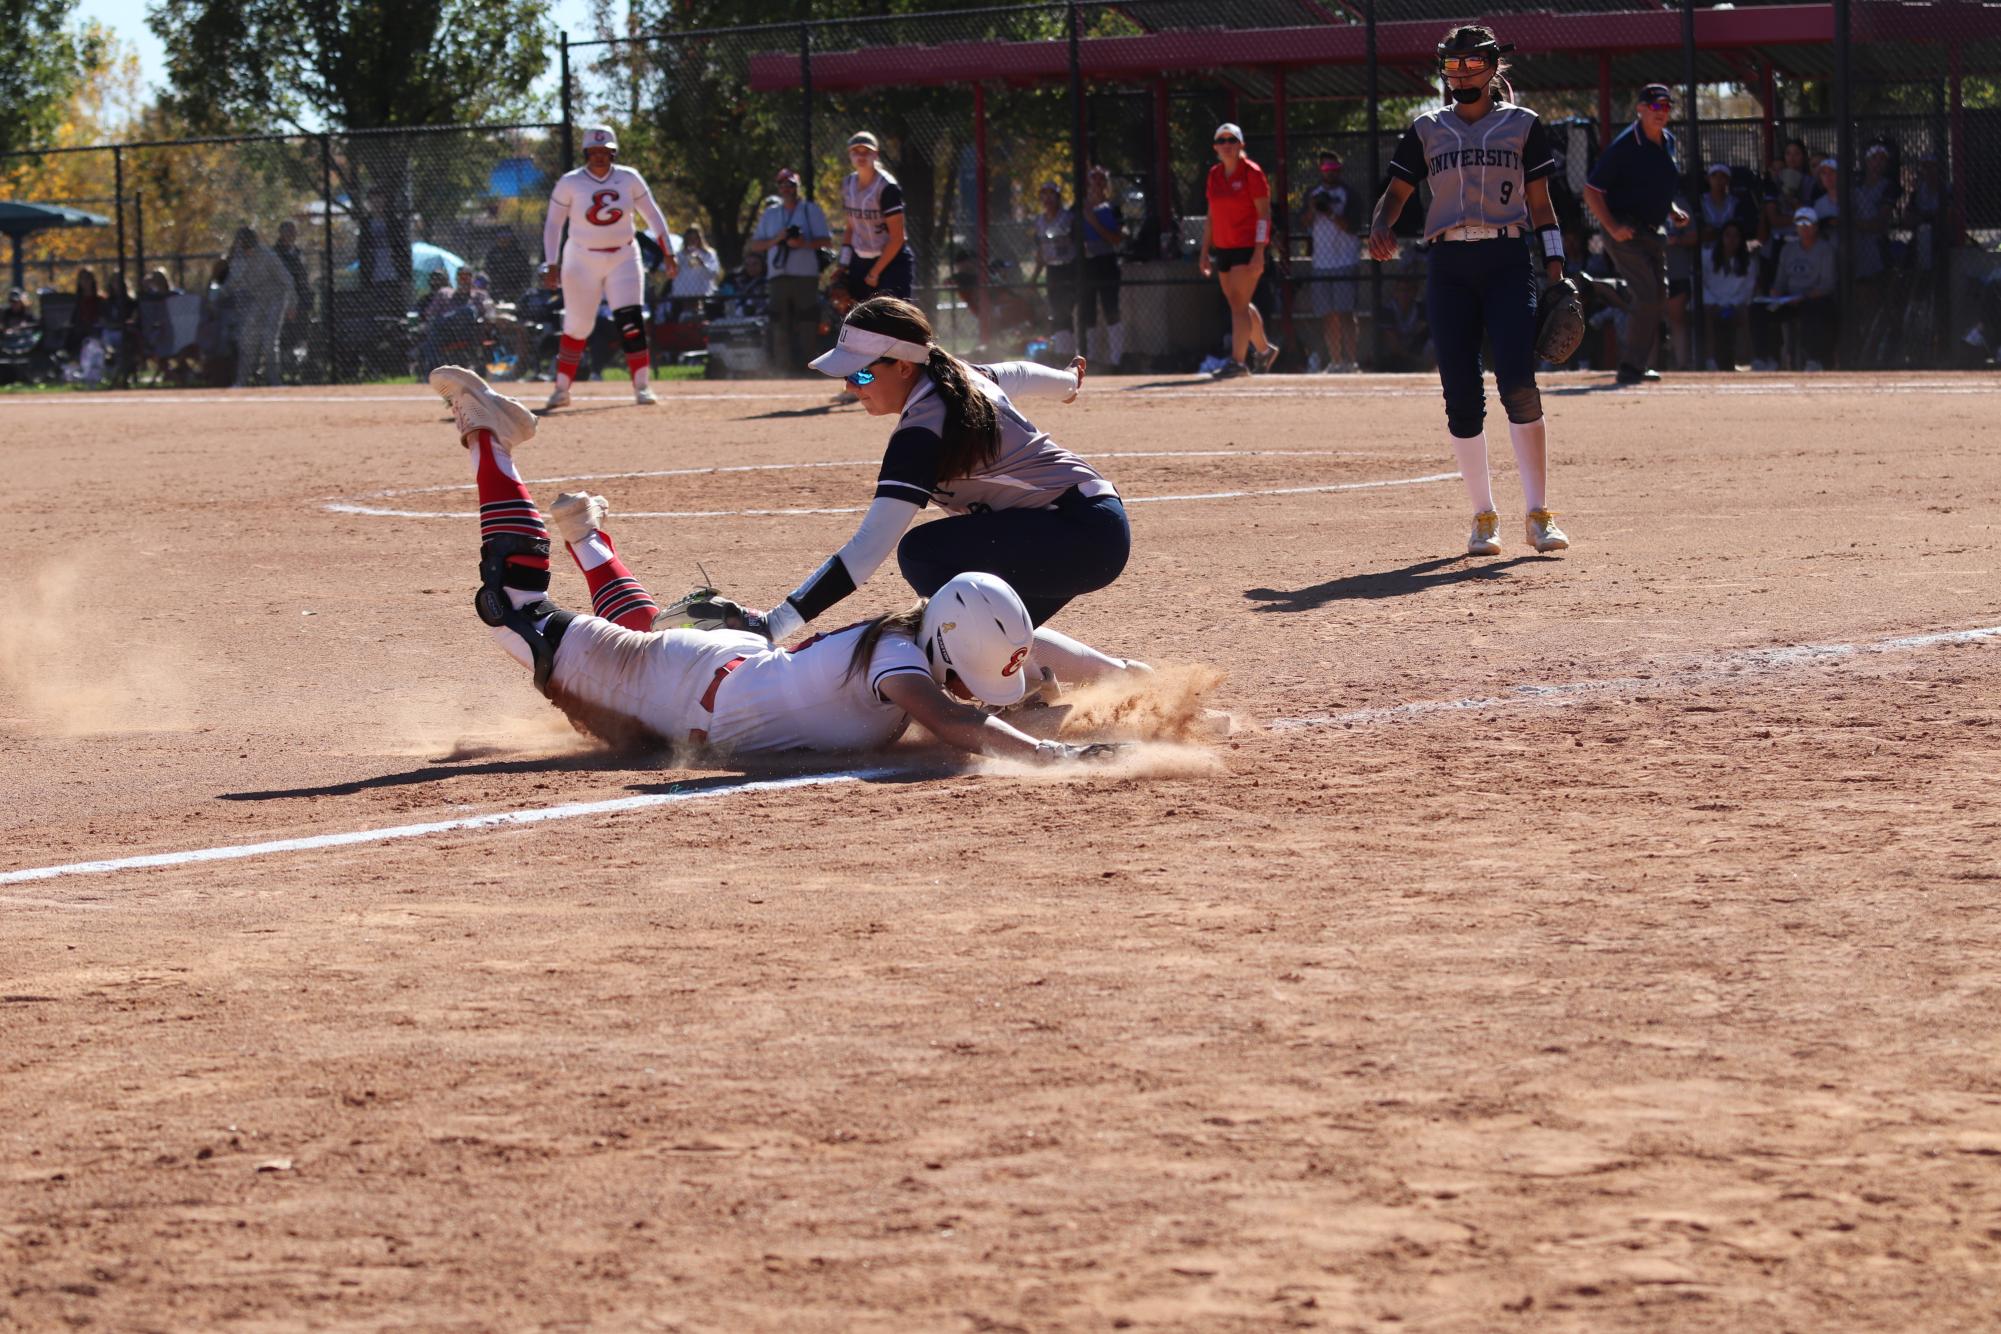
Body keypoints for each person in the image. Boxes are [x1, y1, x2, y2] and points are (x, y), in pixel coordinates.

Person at [423, 364, 1138, 764]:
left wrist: (1124, 686)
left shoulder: (916, 636)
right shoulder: (898, 662)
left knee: (638, 636)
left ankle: (587, 539)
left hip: (722, 667)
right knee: (512, 611)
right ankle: (492, 438)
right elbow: (954, 718)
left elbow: (1016, 650)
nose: (974, 686)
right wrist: (1055, 758)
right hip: (686, 687)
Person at [709, 297, 1122, 700]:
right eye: (846, 376)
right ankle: (1121, 679)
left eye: (862, 374)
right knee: (955, 624)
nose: (851, 386)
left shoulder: (922, 432)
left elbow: (866, 550)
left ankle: (1026, 680)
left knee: (924, 559)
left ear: (904, 366)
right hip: (1085, 528)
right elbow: (1017, 373)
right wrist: (1067, 383)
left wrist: (772, 625)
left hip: (1078, 532)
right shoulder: (954, 377)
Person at [1369, 24, 1571, 558]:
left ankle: (1539, 514)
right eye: (1451, 66)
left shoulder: (1523, 125)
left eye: (1470, 65)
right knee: (1460, 391)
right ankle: (1484, 517)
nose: (1460, 75)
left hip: (1507, 258)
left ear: (1491, 67)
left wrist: (1555, 262)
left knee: (1518, 380)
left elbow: (1542, 203)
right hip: (1449, 263)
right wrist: (1380, 224)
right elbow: (1396, 193)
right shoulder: (1426, 128)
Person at [540, 125, 677, 410]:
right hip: (581, 259)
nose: (600, 157)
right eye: (594, 151)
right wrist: (551, 263)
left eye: (605, 151)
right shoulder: (570, 182)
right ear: (586, 153)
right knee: (578, 326)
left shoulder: (629, 178)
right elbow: (554, 224)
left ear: (614, 152)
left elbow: (652, 214)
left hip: (624, 256)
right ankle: (562, 389)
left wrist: (668, 253)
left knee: (631, 320)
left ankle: (642, 386)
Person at [1584, 83, 1690, 384]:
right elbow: (1592, 191)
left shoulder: (1667, 141)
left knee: (1659, 296)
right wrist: (1613, 227)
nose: (1662, 112)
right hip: (1625, 232)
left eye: (1667, 107)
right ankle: (1631, 367)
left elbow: (1655, 184)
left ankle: (1613, 289)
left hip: (1653, 231)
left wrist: (1671, 210)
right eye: (1655, 106)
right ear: (1640, 109)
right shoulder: (1625, 146)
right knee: (1646, 296)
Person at [1197, 122, 1276, 379]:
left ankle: (1238, 362)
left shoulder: (1252, 173)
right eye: (1222, 141)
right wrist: (1204, 251)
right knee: (1237, 303)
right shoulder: (1214, 175)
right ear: (1215, 147)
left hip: (1246, 246)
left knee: (1238, 306)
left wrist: (1259, 252)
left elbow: (1264, 216)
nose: (1227, 145)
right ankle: (1264, 350)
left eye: (1232, 140)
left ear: (1241, 144)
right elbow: (1210, 216)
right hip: (1224, 249)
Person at [747, 168, 833, 373]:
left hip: (806, 275)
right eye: (783, 185)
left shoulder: (810, 210)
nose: (787, 188)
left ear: (797, 187)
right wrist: (777, 239)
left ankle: (810, 367)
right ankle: (782, 369)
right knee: (779, 321)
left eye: (791, 185)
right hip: (778, 276)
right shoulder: (770, 214)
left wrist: (802, 243)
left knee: (807, 321)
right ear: (778, 188)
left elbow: (827, 241)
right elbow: (755, 246)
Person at [1297, 148, 1361, 373]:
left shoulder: (1349, 194)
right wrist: (1315, 209)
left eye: (1333, 168)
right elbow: (1303, 223)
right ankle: (1335, 361)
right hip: (1321, 263)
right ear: (1320, 170)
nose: (1330, 172)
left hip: (1345, 260)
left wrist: (1332, 212)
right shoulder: (1312, 193)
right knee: (1328, 316)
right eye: (1326, 168)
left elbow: (1352, 226)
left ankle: (1351, 361)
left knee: (1346, 313)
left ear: (1339, 169)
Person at [1753, 208, 1836, 371]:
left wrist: (1804, 297)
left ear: (1815, 226)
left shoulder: (1825, 250)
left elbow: (1827, 285)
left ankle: (1813, 360)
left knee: (1813, 309)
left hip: (1814, 300)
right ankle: (1765, 359)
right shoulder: (1788, 250)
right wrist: (1776, 293)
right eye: (1800, 223)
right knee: (1758, 310)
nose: (1804, 227)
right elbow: (1780, 281)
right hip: (1788, 300)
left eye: (1807, 223)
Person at [839, 132, 913, 302]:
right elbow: (850, 228)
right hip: (860, 261)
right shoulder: (847, 184)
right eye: (856, 151)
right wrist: (843, 265)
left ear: (876, 154)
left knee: (892, 319)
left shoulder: (887, 187)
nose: (861, 156)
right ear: (850, 155)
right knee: (860, 321)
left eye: (866, 151)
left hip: (891, 262)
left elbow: (897, 238)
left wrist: (875, 273)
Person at [224, 227, 294, 388]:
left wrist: (292, 304)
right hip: (258, 300)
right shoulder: (239, 258)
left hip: (277, 298)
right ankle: (241, 381)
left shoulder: (267, 255)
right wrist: (218, 294)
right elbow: (232, 282)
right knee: (246, 339)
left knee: (269, 341)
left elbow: (287, 280)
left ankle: (275, 382)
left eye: (241, 241)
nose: (239, 244)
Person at [1080, 165, 1126, 369]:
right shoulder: (1079, 208)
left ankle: (1116, 359)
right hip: (1087, 265)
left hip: (1107, 262)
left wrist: (1094, 222)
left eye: (1101, 180)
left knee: (1111, 309)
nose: (1097, 184)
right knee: (1088, 312)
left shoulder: (1113, 208)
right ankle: (1089, 360)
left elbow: (1116, 238)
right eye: (1093, 180)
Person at [1032, 182, 1080, 360]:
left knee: (1067, 310)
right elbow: (1040, 252)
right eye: (1044, 195)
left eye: (1052, 195)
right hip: (1052, 269)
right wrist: (1034, 277)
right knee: (1057, 311)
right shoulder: (1039, 221)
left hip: (1069, 268)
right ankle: (1064, 354)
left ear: (1058, 198)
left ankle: (1074, 352)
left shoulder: (1068, 218)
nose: (1048, 199)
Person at [1702, 219, 1756, 370]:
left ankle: (1744, 360)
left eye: (1736, 236)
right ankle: (1710, 359)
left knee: (1744, 313)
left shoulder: (1748, 262)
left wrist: (1733, 304)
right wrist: (1713, 303)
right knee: (1707, 314)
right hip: (1711, 303)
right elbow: (1700, 283)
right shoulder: (1706, 257)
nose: (1731, 240)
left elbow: (1747, 289)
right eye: (1727, 235)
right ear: (1721, 238)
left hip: (1735, 304)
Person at [668, 225, 720, 320]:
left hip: (702, 294)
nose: (692, 241)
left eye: (695, 238)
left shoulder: (709, 254)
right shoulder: (679, 255)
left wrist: (702, 263)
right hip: (683, 296)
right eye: (689, 239)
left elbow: (713, 273)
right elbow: (671, 273)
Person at [483, 229, 534, 301]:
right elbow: (488, 270)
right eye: (500, 236)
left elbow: (527, 272)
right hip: (497, 289)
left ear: (511, 238)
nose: (503, 239)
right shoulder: (492, 253)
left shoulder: (519, 252)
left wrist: (522, 288)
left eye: (506, 236)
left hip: (517, 288)